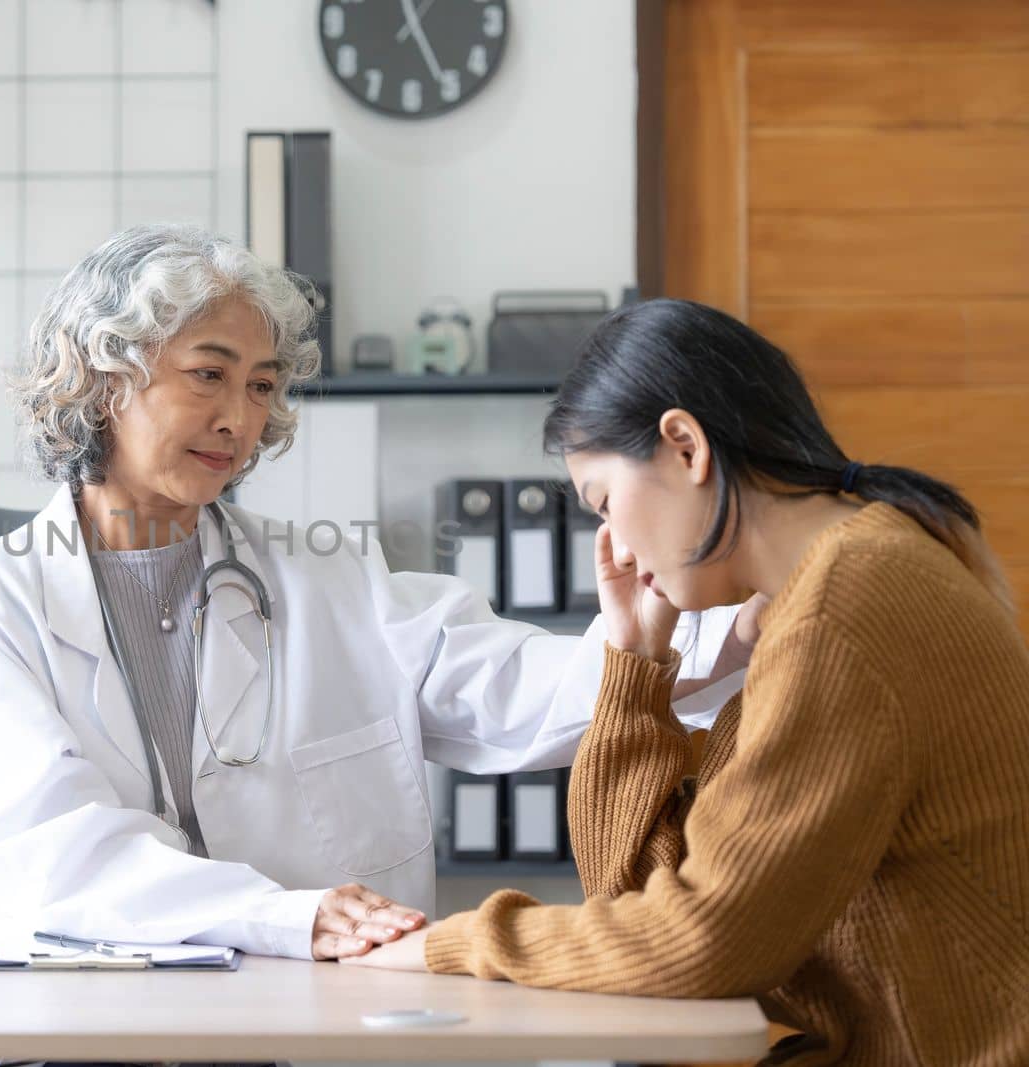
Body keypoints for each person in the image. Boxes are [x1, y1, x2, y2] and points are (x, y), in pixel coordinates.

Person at [0, 228, 747, 964]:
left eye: (260, 386)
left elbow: (512, 687)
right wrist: (282, 916)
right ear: (105, 381)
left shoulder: (330, 577)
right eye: (209, 374)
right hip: (75, 1008)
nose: (238, 420)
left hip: (307, 1019)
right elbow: (56, 850)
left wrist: (724, 632)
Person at [347, 298, 1029, 1066]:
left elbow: (701, 944)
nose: (616, 549)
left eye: (605, 503)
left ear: (684, 446)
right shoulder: (829, 588)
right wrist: (634, 665)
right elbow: (643, 896)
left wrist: (458, 940)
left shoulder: (844, 610)